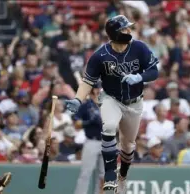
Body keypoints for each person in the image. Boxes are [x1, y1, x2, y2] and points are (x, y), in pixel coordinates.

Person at [65, 15, 159, 193]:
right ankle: (110, 175)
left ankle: (122, 176)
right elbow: (88, 81)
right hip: (111, 98)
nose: (129, 31)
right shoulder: (100, 55)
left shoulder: (139, 47)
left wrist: (140, 77)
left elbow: (154, 71)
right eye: (124, 29)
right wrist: (78, 99)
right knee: (108, 127)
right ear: (115, 33)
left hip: (134, 103)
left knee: (128, 146)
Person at [73, 83, 104, 194]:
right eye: (96, 88)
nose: (98, 90)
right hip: (92, 141)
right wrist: (88, 122)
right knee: (86, 173)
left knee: (103, 175)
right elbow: (76, 124)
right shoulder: (86, 105)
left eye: (99, 88)